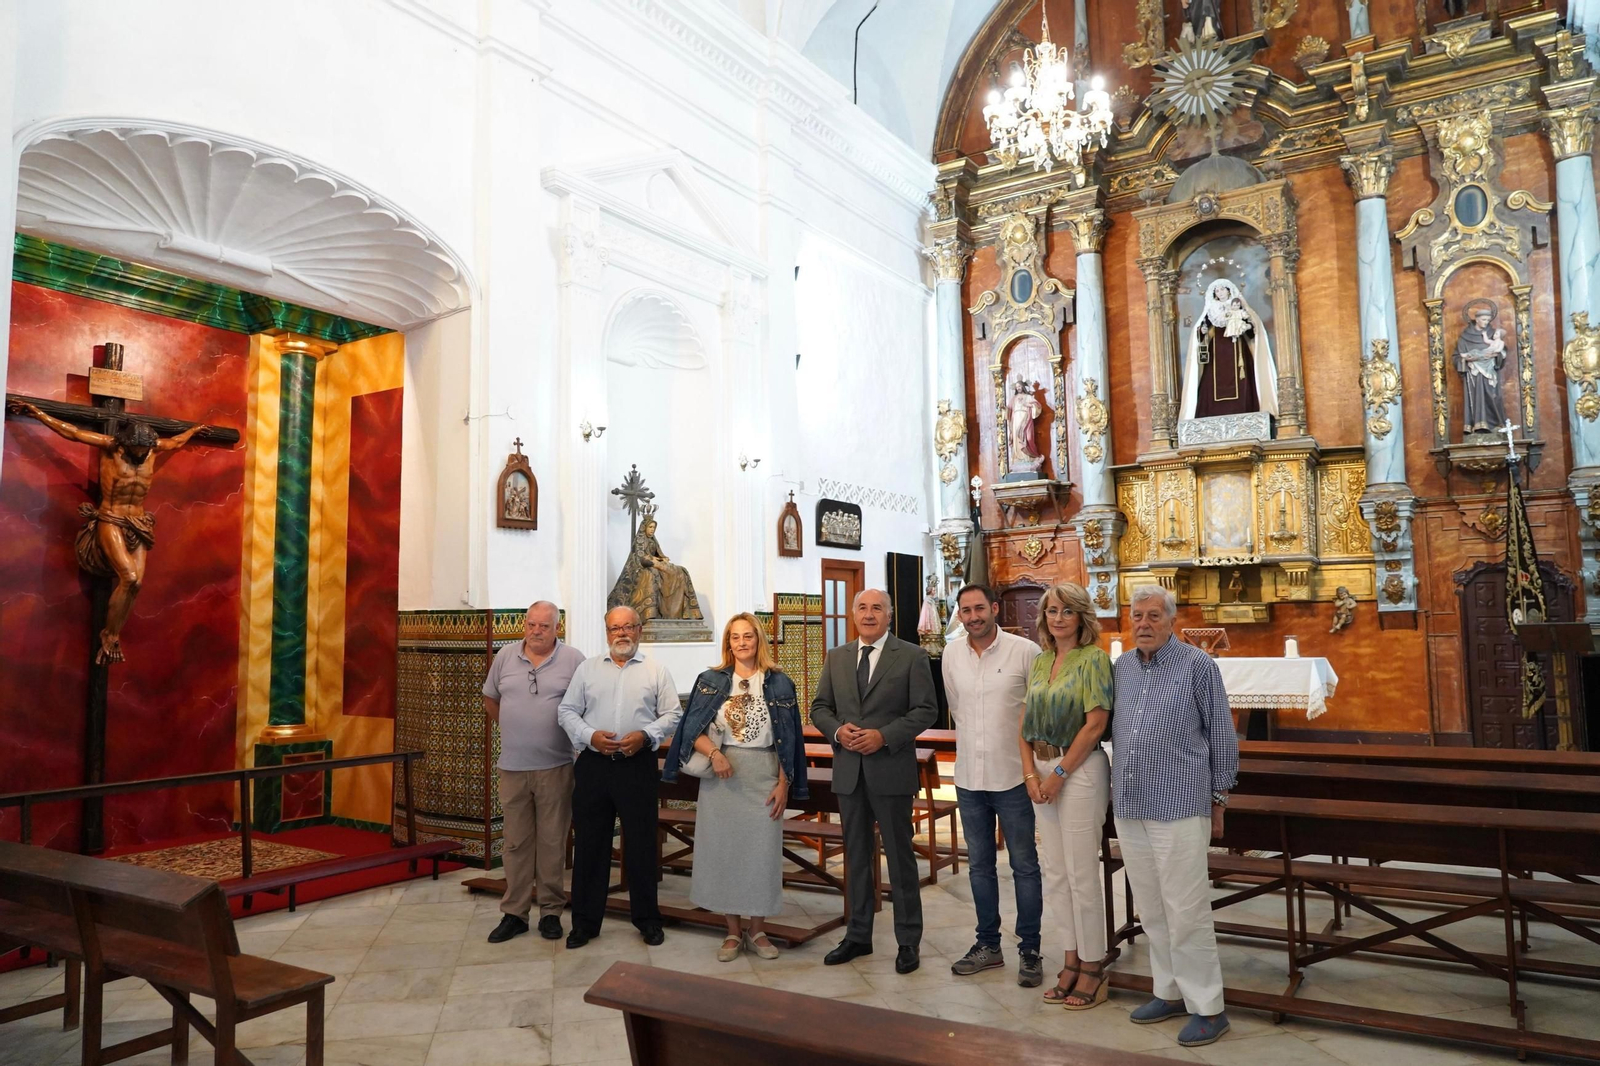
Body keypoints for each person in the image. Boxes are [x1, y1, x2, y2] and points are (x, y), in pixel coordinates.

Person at [1114, 584, 1237, 1047]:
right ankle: (1167, 991)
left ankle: (1209, 1006)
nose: (1143, 624)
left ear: (1171, 621)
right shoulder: (1122, 667)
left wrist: (1219, 798)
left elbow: (1222, 736)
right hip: (1130, 802)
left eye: (1153, 616)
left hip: (1180, 803)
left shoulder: (1198, 666)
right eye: (1137, 616)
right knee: (1151, 906)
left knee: (1186, 909)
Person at [663, 614, 809, 961]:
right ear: (727, 643)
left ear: (759, 640)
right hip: (722, 774)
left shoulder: (779, 683)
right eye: (734, 637)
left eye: (748, 636)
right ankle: (731, 931)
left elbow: (791, 741)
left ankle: (757, 930)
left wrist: (784, 784)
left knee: (761, 854)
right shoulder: (711, 680)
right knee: (724, 852)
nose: (742, 642)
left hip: (764, 772)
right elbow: (689, 731)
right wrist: (715, 754)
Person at [810, 589, 937, 974]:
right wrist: (837, 732)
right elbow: (819, 708)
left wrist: (884, 735)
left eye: (876, 608)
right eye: (862, 608)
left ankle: (908, 940)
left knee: (900, 859)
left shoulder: (911, 656)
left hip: (890, 770)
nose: (869, 614)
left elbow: (926, 710)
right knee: (857, 857)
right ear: (853, 615)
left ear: (889, 615)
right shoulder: (838, 657)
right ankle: (858, 935)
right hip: (849, 772)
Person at [558, 605, 682, 948]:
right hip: (594, 766)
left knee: (641, 845)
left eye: (628, 627)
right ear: (606, 631)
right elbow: (566, 711)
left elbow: (673, 714)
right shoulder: (587, 669)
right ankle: (584, 924)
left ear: (640, 631)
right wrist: (589, 736)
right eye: (615, 628)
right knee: (590, 845)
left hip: (637, 766)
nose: (621, 634)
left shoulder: (656, 671)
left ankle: (648, 921)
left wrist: (645, 735)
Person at [941, 583, 1044, 987]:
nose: (973, 617)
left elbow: (1035, 713)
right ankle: (988, 945)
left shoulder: (1026, 652)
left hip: (1014, 776)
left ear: (995, 609)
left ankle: (1030, 949)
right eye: (965, 611)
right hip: (969, 777)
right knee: (980, 866)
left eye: (979, 608)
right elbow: (957, 708)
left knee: (1024, 866)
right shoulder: (951, 654)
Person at [1020, 583, 1113, 1010]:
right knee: (1054, 872)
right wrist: (1029, 774)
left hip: (1079, 772)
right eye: (1052, 611)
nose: (1058, 618)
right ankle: (1070, 958)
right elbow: (1023, 723)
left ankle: (1094, 965)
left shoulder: (1093, 659)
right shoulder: (1040, 661)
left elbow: (1094, 725)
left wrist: (1057, 773)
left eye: (1066, 611)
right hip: (1041, 770)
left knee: (1080, 872)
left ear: (1081, 617)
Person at [482, 601, 587, 943]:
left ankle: (551, 912)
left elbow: (586, 706)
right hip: (512, 767)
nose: (536, 631)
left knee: (553, 842)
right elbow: (490, 699)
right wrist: (516, 730)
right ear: (524, 625)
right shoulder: (505, 657)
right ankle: (514, 913)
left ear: (557, 627)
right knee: (515, 843)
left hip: (556, 766)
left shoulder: (573, 660)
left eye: (544, 625)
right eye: (531, 624)